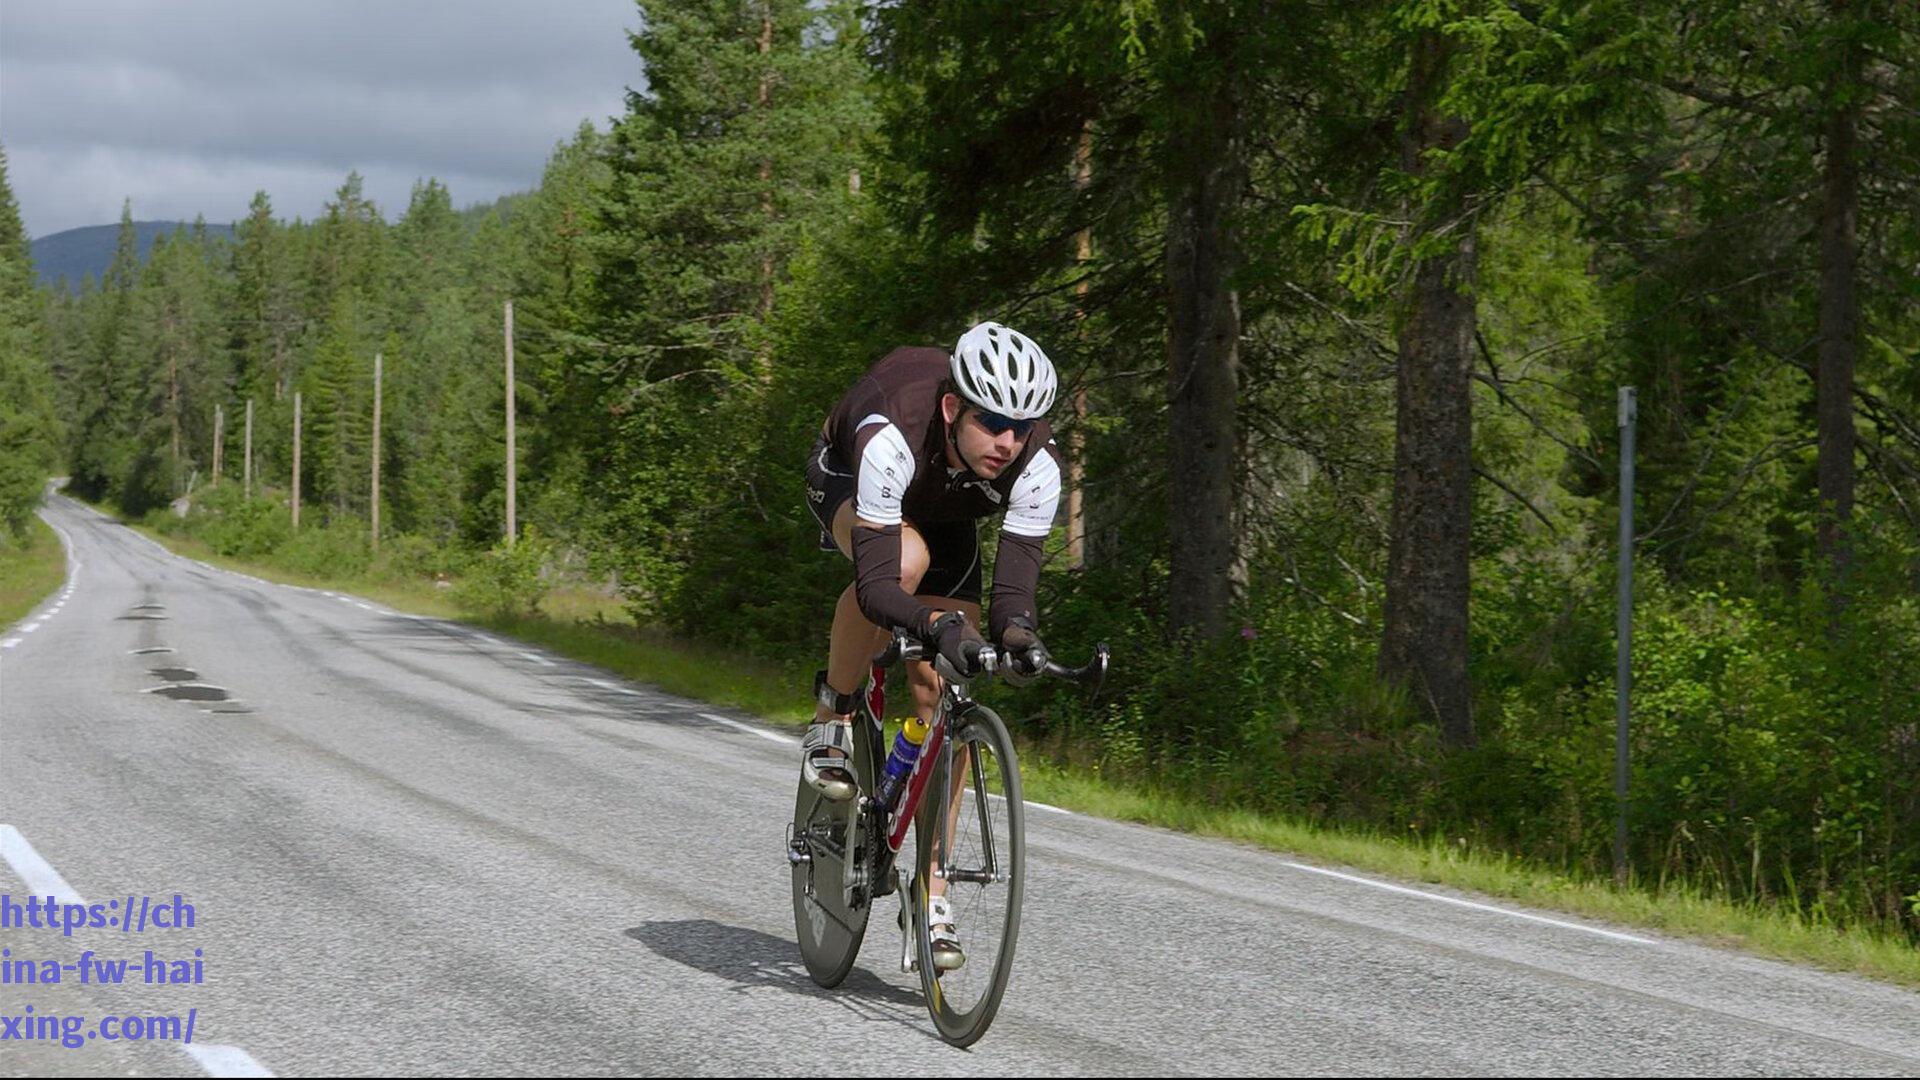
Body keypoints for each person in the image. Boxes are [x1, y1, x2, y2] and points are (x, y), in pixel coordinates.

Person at [801, 320, 1061, 970]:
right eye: (992, 420)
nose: (1008, 441)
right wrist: (934, 623)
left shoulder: (1036, 464)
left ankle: (931, 888)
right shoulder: (891, 431)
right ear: (952, 408)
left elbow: (1012, 599)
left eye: (1022, 427)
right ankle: (832, 718)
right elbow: (881, 586)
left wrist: (1020, 639)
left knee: (941, 688)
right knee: (907, 562)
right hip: (850, 482)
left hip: (948, 513)